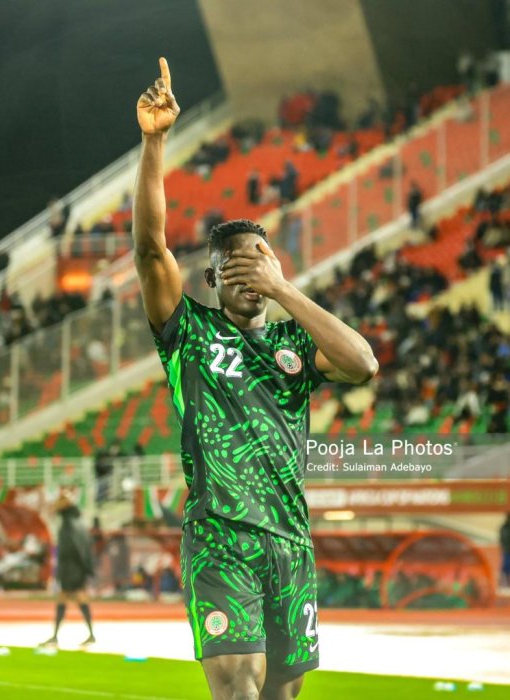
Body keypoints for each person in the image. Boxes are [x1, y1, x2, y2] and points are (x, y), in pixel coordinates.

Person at [133, 58, 378, 700]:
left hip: (291, 539)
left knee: (282, 695)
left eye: (259, 264)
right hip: (221, 536)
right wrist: (155, 142)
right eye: (235, 268)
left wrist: (285, 289)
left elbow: (363, 363)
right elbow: (151, 250)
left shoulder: (297, 342)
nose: (249, 276)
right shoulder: (189, 332)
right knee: (240, 686)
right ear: (212, 278)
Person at [40, 491, 96, 647]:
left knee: (66, 598)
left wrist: (62, 571)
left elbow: (70, 550)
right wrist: (87, 569)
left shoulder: (69, 525)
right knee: (77, 598)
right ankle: (89, 634)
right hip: (76, 569)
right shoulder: (77, 522)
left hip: (71, 570)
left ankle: (56, 636)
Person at [499, 514, 510, 588]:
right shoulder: (504, 528)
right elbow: (502, 539)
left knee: (505, 567)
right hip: (507, 550)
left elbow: (501, 539)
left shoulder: (503, 527)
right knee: (506, 567)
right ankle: (504, 584)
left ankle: (504, 584)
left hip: (506, 550)